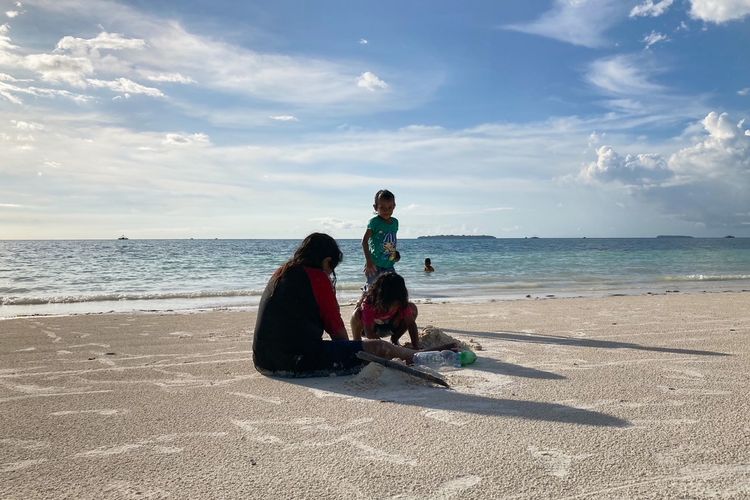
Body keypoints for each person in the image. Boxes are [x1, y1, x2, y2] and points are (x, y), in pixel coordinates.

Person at [252, 233, 426, 377]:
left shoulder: (282, 272)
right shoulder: (317, 277)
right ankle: (420, 356)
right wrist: (350, 350)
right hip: (293, 360)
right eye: (332, 267)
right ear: (327, 261)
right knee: (378, 347)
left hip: (262, 359)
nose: (330, 273)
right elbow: (337, 332)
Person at [350, 272, 420, 349]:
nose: (394, 305)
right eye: (392, 302)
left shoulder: (401, 301)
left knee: (412, 308)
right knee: (357, 313)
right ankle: (357, 343)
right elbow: (369, 331)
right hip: (369, 330)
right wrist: (387, 348)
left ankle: (394, 340)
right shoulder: (370, 302)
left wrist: (416, 347)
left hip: (391, 326)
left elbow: (411, 324)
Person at [361, 189, 399, 287]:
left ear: (394, 206)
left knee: (390, 289)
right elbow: (364, 242)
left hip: (389, 264)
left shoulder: (395, 222)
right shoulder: (374, 222)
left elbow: (390, 241)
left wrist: (395, 254)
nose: (386, 211)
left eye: (390, 207)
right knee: (371, 289)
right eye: (382, 208)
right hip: (374, 265)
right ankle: (362, 302)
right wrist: (368, 262)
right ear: (375, 207)